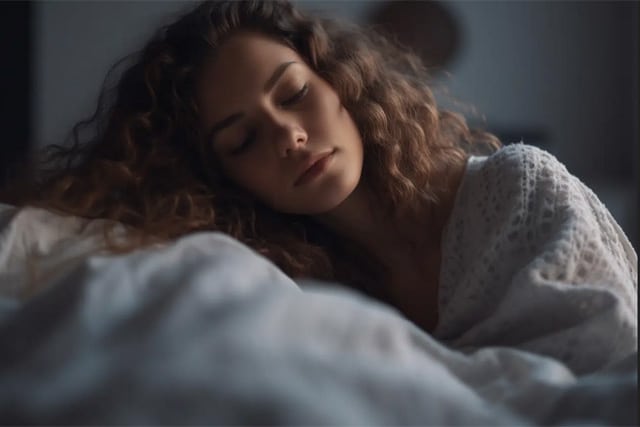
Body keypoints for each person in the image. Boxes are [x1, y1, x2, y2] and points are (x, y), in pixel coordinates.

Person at [4, 0, 636, 371]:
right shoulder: (284, 287)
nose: (289, 137)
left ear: (341, 84)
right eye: (243, 140)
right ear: (227, 179)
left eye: (295, 93)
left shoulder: (518, 190)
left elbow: (609, 359)